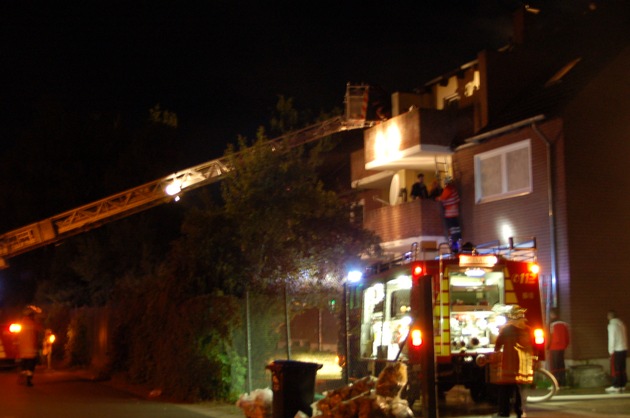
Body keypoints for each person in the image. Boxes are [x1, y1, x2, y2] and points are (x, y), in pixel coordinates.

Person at [493, 305, 534, 418]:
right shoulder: (528, 329)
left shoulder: (506, 329)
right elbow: (533, 346)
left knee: (505, 390)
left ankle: (503, 412)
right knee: (519, 390)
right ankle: (519, 411)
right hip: (523, 366)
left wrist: (496, 352)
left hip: (509, 365)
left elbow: (498, 344)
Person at [17, 305, 42, 387]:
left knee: (24, 365)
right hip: (31, 349)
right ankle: (28, 380)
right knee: (31, 366)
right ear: (31, 315)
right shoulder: (32, 323)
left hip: (23, 350)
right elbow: (40, 329)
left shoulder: (22, 323)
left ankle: (22, 376)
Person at [435, 176, 462, 252]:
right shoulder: (454, 189)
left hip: (450, 213)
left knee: (452, 231)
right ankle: (458, 244)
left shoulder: (448, 189)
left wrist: (436, 199)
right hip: (455, 213)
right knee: (457, 230)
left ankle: (454, 247)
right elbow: (457, 200)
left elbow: (442, 198)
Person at [606, 310, 628, 393]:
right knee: (622, 367)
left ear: (610, 316)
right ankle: (622, 384)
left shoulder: (612, 325)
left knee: (615, 368)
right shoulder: (621, 324)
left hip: (616, 349)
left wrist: (610, 351)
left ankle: (616, 385)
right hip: (623, 348)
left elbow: (612, 339)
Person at [547, 308, 570, 387]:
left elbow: (549, 336)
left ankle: (555, 383)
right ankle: (563, 382)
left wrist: (547, 346)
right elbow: (567, 337)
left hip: (553, 347)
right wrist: (565, 345)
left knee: (554, 366)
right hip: (562, 347)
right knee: (561, 364)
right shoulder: (564, 324)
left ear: (552, 314)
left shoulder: (552, 324)